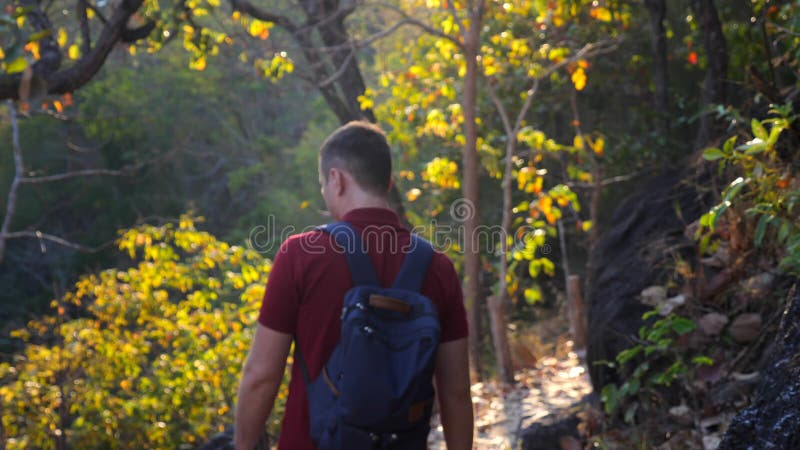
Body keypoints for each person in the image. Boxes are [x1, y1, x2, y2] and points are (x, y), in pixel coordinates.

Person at [234, 121, 474, 450]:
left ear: (337, 179)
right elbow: (456, 392)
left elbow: (261, 377)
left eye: (323, 184)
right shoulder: (438, 267)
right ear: (388, 182)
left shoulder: (300, 255)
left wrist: (243, 445)